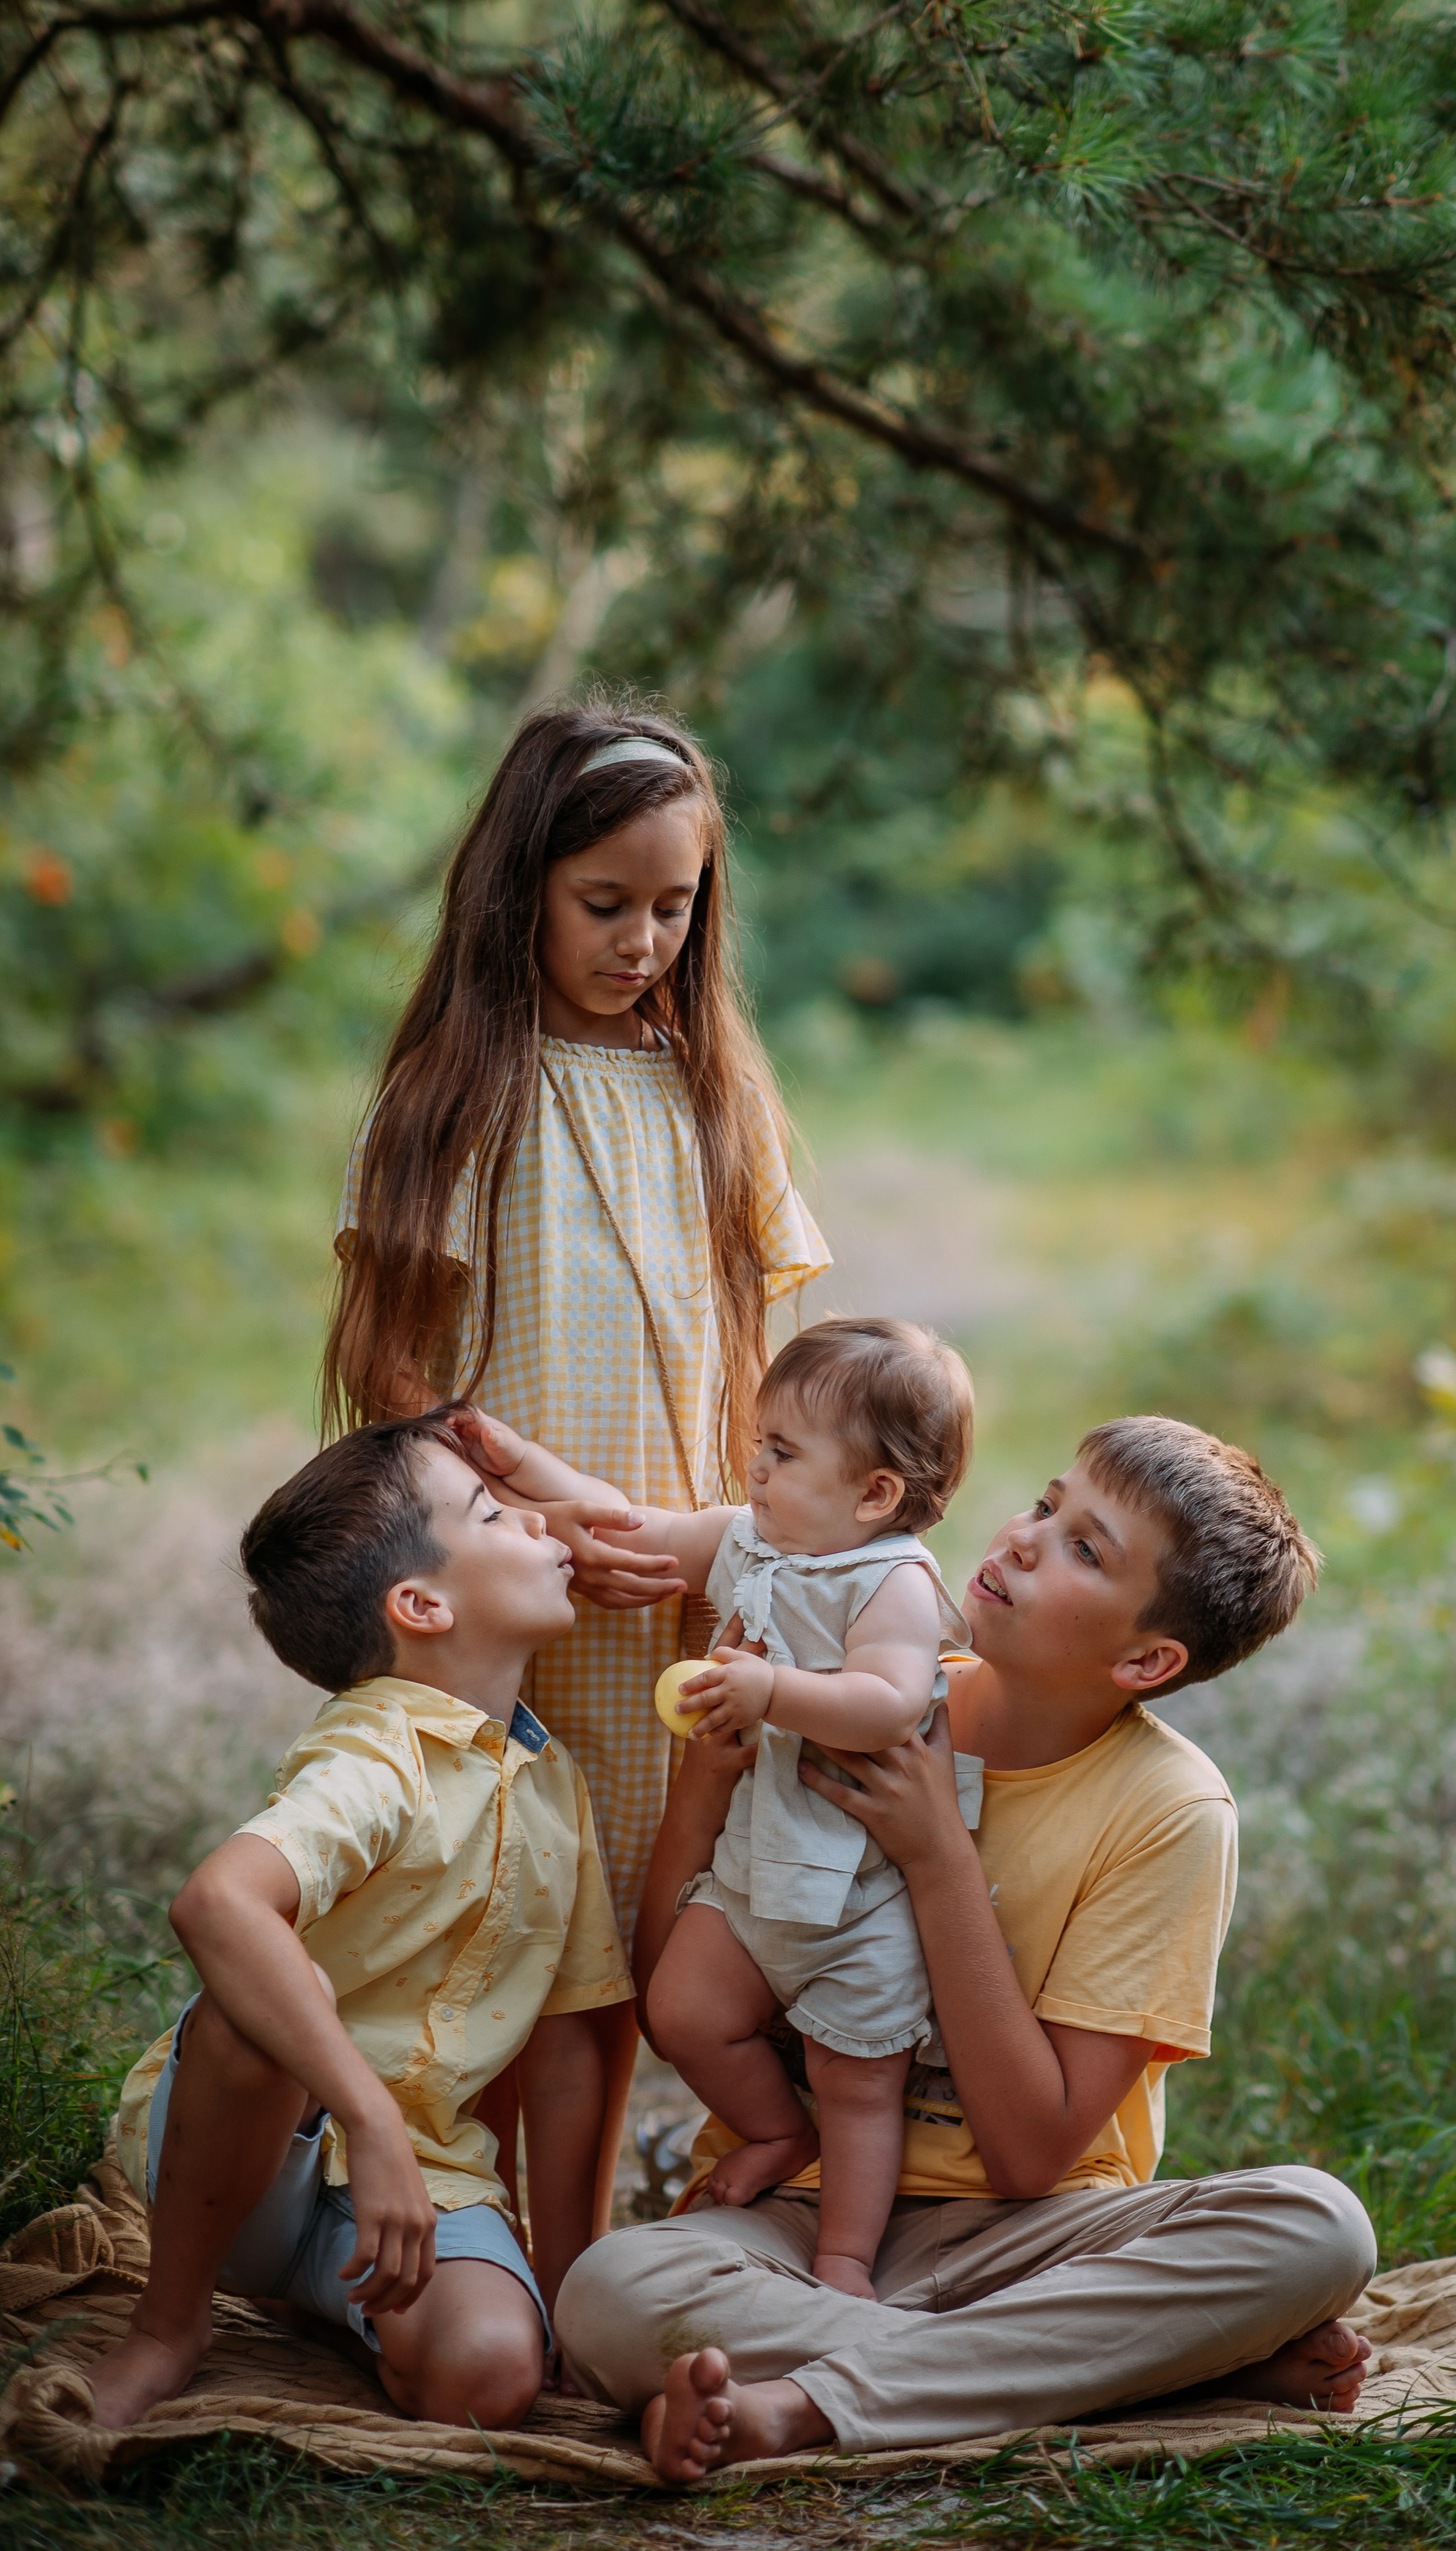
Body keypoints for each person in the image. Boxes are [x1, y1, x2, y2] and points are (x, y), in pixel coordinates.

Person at [552, 1415, 1378, 2482]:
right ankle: (1150, 2375)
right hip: (807, 2220)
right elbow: (679, 1999)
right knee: (610, 2295)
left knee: (1319, 2228)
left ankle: (804, 2405)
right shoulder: (849, 1696)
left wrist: (939, 1856)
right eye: (1046, 1505)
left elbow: (1034, 2153)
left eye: (1086, 1548)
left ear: (1146, 1658)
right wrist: (706, 1785)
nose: (1026, 1540)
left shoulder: (1172, 1811)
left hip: (1036, 2240)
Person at [321, 701, 829, 2207]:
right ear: (517, 890)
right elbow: (395, 1369)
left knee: (629, 1916)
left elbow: (760, 1357)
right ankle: (428, 2182)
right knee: (508, 1904)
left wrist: (711, 1528)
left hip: (671, 1562)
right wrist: (531, 1509)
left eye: (675, 906)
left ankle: (582, 2246)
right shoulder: (458, 1096)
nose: (643, 940)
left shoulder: (711, 1088)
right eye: (604, 904)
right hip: (519, 1576)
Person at [89, 1412, 630, 2433]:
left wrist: (566, 2305)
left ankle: (359, 2315)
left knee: (491, 2380)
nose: (537, 1521)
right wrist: (370, 2122)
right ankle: (168, 2328)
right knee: (266, 2019)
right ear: (422, 1603)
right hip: (253, 2159)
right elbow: (216, 1902)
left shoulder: (554, 1786)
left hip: (422, 2191)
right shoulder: (374, 1754)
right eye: (494, 1513)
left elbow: (562, 2063)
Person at [462, 1318, 976, 2300]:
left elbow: (891, 1703)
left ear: (876, 1494)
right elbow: (637, 1526)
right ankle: (780, 2133)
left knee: (859, 2083)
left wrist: (773, 1693)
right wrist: (521, 1463)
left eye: (783, 1453)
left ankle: (843, 2261)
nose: (755, 1467)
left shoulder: (892, 1582)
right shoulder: (751, 1540)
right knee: (682, 2012)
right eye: (760, 1442)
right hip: (751, 1873)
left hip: (858, 1899)